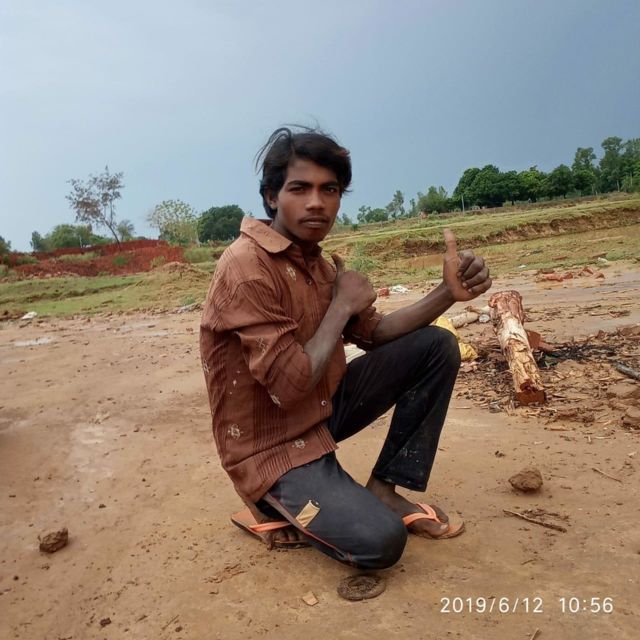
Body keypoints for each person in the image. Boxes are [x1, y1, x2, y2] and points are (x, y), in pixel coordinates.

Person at [200, 126, 492, 569]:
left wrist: (446, 293)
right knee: (380, 542)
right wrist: (340, 305)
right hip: (269, 446)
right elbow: (290, 387)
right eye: (300, 188)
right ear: (272, 197)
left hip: (317, 411)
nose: (316, 202)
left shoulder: (316, 263)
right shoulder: (246, 267)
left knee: (436, 346)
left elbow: (376, 333)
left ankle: (384, 488)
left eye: (330, 189)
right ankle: (267, 503)